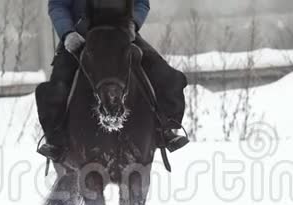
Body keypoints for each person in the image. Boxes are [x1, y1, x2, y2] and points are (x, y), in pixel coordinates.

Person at [36, 0, 189, 163]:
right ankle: (56, 140)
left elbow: (142, 3)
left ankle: (166, 128)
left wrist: (133, 24)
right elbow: (57, 5)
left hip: (123, 35)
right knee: (56, 87)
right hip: (79, 38)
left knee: (166, 76)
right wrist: (67, 33)